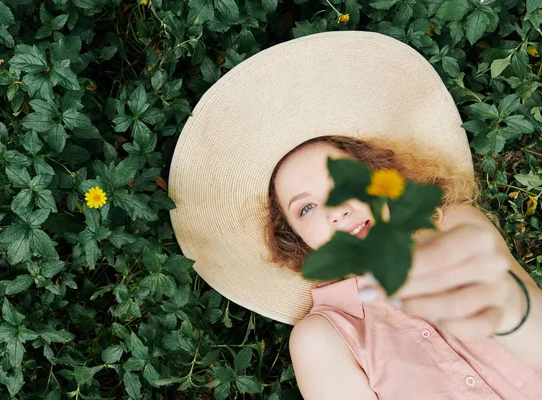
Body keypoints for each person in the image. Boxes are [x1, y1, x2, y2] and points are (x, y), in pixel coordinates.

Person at [167, 31, 542, 399]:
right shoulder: (324, 338)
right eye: (307, 207)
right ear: (295, 237)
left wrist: (500, 302)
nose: (337, 210)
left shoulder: (454, 225)